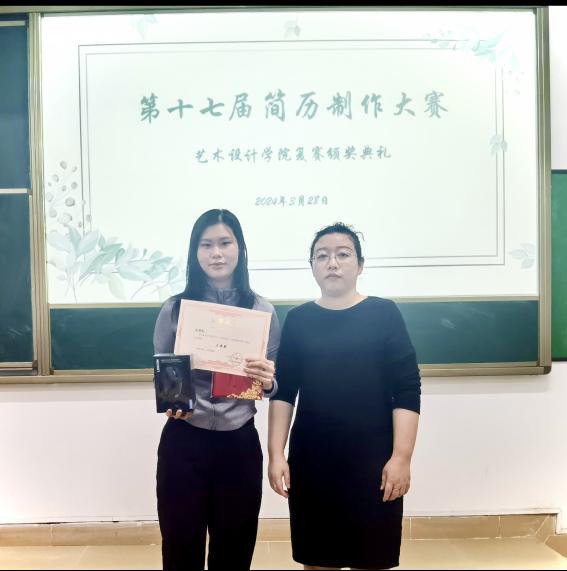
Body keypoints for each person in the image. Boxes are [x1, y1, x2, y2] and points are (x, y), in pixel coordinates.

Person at [268, 222, 421, 570]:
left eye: (343, 254)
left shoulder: (384, 313)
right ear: (312, 266)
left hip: (374, 461)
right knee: (318, 560)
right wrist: (276, 453)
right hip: (312, 462)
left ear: (360, 265)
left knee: (372, 559)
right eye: (322, 256)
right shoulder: (298, 319)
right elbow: (284, 391)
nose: (332, 263)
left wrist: (402, 457)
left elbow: (407, 388)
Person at [153, 208, 281, 571]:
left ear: (240, 249)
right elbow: (163, 371)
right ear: (195, 252)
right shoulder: (175, 309)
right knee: (180, 547)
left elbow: (272, 383)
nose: (217, 253)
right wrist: (171, 395)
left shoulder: (262, 311)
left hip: (238, 443)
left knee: (234, 550)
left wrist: (268, 381)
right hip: (184, 438)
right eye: (206, 244)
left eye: (225, 243)